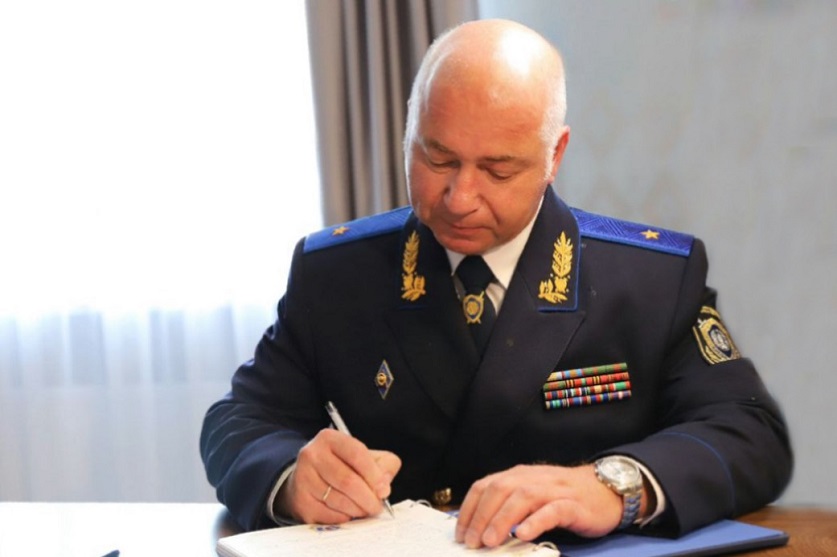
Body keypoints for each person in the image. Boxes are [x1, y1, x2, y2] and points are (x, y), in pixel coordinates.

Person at [200, 18, 792, 548]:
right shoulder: (337, 274)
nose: (460, 198)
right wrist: (291, 476)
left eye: (497, 170)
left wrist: (611, 486)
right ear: (408, 135)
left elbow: (749, 433)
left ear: (554, 155)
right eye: (437, 159)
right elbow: (239, 419)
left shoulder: (650, 279)